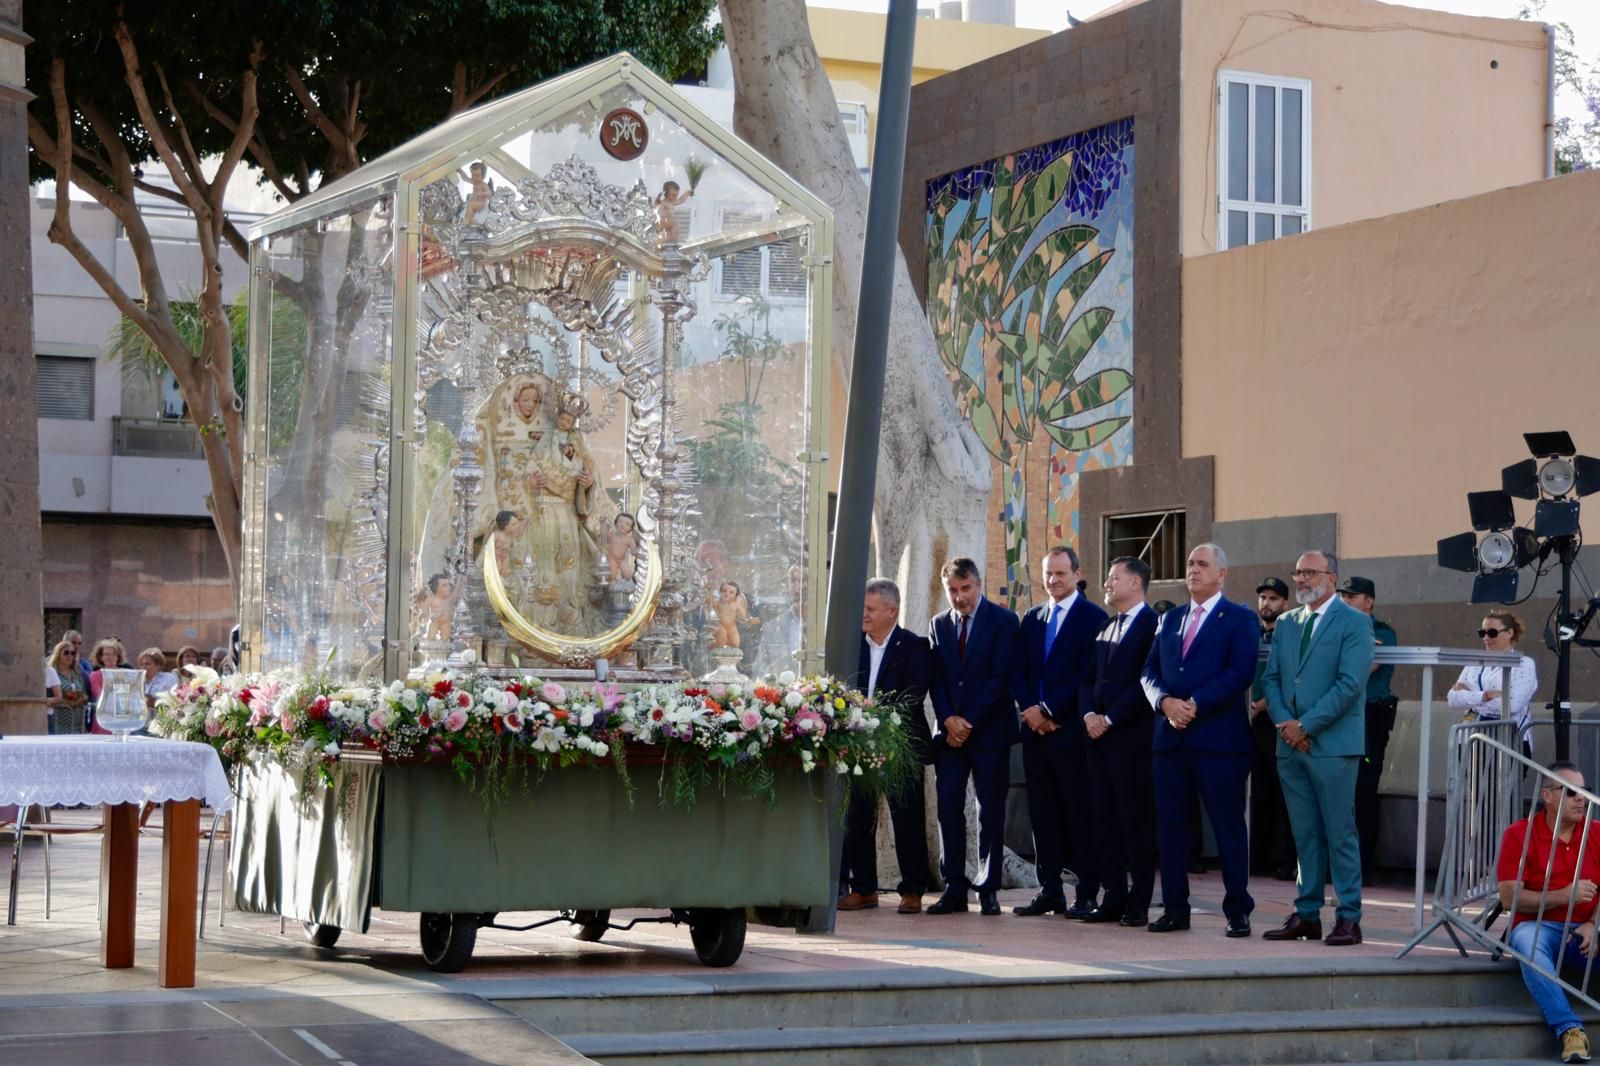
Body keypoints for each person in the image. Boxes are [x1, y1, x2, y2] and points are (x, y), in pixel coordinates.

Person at [1140, 543, 1260, 937]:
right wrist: (1164, 702)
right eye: (1190, 563)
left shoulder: (1240, 618)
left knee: (1227, 827)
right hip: (1170, 741)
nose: (1193, 570)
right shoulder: (1170, 618)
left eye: (1202, 564)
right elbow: (1149, 670)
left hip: (1219, 742)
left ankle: (1237, 909)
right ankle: (1175, 908)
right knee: (1171, 829)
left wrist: (1194, 703)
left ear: (1221, 573)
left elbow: (1240, 672)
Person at [1261, 551, 1374, 947]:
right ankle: (1307, 913)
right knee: (1304, 833)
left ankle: (1348, 917)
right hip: (1290, 746)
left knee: (1340, 831)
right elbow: (1271, 679)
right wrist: (1286, 726)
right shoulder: (1288, 623)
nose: (1301, 579)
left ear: (1332, 576)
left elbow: (1350, 684)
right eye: (1298, 572)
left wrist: (1306, 725)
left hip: (1332, 744)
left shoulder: (1355, 623)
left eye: (1309, 572)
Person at [1008, 546, 1107, 919]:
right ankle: (1049, 890)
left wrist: (1050, 710)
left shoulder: (1094, 617)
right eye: (1048, 573)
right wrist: (1031, 711)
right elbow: (1018, 670)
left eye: (1060, 574)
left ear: (1077, 573)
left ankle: (1086, 891)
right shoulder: (1032, 618)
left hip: (1070, 734)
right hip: (1035, 735)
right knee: (1042, 816)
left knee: (1079, 815)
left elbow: (1087, 674)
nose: (1053, 581)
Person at [927, 557, 1020, 916]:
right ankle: (954, 886)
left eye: (966, 589)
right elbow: (936, 678)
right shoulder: (938, 624)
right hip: (949, 737)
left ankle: (989, 886)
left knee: (990, 811)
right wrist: (949, 719)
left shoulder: (1004, 621)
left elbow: (1000, 678)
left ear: (979, 585)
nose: (960, 597)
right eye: (953, 590)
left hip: (990, 733)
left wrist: (968, 722)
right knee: (948, 808)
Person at [839, 578, 934, 914]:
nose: (862, 614)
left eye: (870, 609)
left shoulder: (915, 645)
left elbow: (913, 694)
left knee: (907, 818)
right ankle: (863, 888)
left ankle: (912, 890)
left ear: (891, 610)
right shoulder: (852, 644)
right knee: (858, 816)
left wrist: (874, 716)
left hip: (901, 747)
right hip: (858, 746)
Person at [1496, 763, 1600, 1064]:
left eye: (1586, 792)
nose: (1581, 799)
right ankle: (1569, 1029)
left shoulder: (1595, 831)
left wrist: (1594, 924)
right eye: (1571, 792)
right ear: (1548, 796)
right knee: (1527, 942)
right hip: (1540, 928)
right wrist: (1564, 895)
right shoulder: (1519, 833)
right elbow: (1509, 899)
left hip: (1587, 931)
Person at [1079, 555, 1160, 927]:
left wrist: (1111, 718)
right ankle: (1112, 895)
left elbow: (1146, 681)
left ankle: (1139, 900)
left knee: (1134, 820)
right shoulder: (1106, 625)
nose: (1107, 583)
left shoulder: (1152, 624)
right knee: (1102, 819)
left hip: (1131, 738)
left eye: (1114, 577)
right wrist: (1089, 715)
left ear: (1136, 583)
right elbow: (1087, 678)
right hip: (1097, 738)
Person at [1337, 575, 1400, 885]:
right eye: (1343, 596)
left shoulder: (1383, 632)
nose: (1346, 600)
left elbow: (1362, 666)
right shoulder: (1336, 630)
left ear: (1369, 601)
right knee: (1338, 793)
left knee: (1362, 793)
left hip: (1368, 718)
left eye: (1352, 596)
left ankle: (1362, 865)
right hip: (1341, 716)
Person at [1250, 576, 1298, 881]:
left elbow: (1286, 677)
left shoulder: (1289, 634)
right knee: (1258, 794)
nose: (1267, 604)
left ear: (1285, 604)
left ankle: (1287, 860)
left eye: (1273, 599)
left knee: (1285, 794)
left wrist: (1261, 705)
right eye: (1263, 598)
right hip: (1251, 722)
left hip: (1276, 720)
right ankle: (1258, 859)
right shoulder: (1252, 634)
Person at [1449, 608, 1538, 757]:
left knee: (1503, 780)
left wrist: (1469, 696)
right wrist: (1486, 695)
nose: (1486, 638)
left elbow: (1512, 705)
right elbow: (1452, 699)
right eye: (1482, 633)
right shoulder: (1474, 663)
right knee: (1470, 780)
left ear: (1509, 633)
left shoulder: (1524, 664)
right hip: (1471, 741)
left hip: (1509, 742)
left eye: (1492, 633)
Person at [46, 639, 90, 733]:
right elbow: (50, 697)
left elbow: (85, 694)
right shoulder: (52, 673)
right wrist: (66, 702)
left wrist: (81, 698)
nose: (69, 656)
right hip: (58, 724)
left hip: (77, 725)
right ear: (58, 654)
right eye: (66, 653)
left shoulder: (78, 674)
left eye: (72, 653)